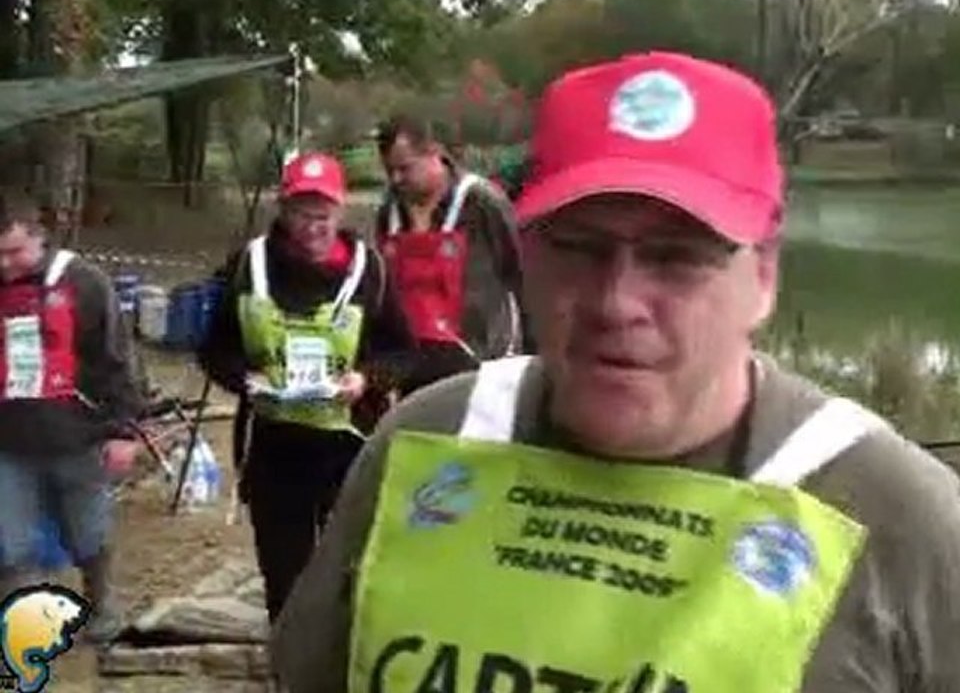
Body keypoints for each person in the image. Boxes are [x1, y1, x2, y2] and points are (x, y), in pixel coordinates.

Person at [271, 52, 960, 692]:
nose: (617, 302)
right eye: (578, 248)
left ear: (765, 276)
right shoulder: (426, 441)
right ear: (527, 257)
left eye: (676, 256)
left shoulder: (901, 521)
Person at [198, 151, 413, 623]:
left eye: (324, 213)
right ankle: (289, 666)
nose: (313, 225)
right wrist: (244, 380)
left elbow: (402, 351)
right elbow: (214, 349)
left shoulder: (369, 269)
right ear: (282, 208)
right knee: (284, 574)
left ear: (340, 210)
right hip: (274, 447)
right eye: (301, 212)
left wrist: (368, 379)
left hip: (349, 445)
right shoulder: (248, 264)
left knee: (351, 567)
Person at [0, 190, 144, 643]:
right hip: (9, 441)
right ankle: (19, 625)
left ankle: (102, 607)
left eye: (14, 252)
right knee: (10, 541)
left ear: (39, 238)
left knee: (88, 531)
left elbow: (117, 361)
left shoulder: (84, 283)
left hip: (77, 434)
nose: (5, 265)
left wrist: (123, 430)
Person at [375, 114, 525, 396]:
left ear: (434, 152)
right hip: (412, 370)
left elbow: (520, 274)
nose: (396, 179)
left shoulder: (482, 202)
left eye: (405, 168)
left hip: (479, 367)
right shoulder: (389, 211)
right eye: (389, 171)